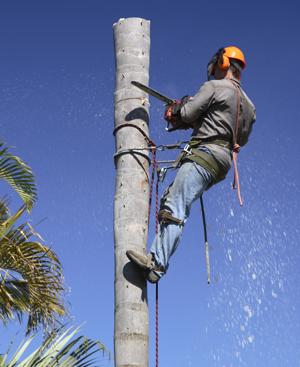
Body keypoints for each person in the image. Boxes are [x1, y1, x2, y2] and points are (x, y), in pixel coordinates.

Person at [126, 46, 256, 283]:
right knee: (174, 198)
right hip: (222, 164)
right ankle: (159, 259)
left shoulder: (214, 87)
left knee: (175, 205)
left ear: (223, 63)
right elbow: (241, 139)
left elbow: (187, 113)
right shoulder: (249, 106)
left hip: (204, 154)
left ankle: (156, 263)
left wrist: (177, 110)